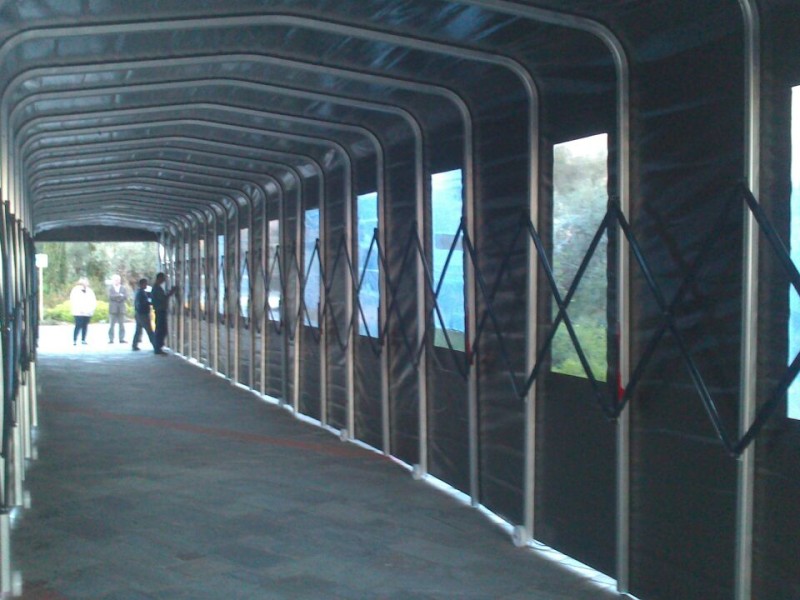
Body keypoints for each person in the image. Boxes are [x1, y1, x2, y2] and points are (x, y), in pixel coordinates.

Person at [150, 272, 177, 355]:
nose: (164, 280)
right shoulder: (157, 288)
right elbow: (163, 298)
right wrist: (171, 292)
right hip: (160, 310)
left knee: (161, 329)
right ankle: (158, 347)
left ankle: (158, 347)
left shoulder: (156, 288)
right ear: (159, 278)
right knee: (161, 329)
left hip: (160, 310)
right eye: (163, 278)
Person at [69, 277, 96, 345]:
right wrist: (80, 309)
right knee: (78, 325)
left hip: (88, 312)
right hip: (78, 312)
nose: (86, 284)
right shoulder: (75, 290)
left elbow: (93, 301)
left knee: (85, 325)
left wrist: (91, 309)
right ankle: (74, 339)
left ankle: (83, 339)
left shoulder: (90, 291)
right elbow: (74, 301)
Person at [132, 278, 155, 351]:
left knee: (138, 330)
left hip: (139, 314)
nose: (146, 285)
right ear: (142, 284)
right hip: (143, 314)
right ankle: (155, 345)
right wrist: (151, 303)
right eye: (145, 283)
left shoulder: (139, 292)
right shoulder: (141, 293)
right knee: (149, 331)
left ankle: (134, 345)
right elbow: (144, 303)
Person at [107, 274, 128, 343]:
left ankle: (121, 339)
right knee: (111, 325)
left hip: (121, 309)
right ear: (113, 280)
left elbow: (125, 297)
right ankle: (111, 339)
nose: (117, 281)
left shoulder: (123, 288)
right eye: (115, 280)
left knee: (122, 325)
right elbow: (110, 297)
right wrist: (119, 295)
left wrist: (117, 297)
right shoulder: (110, 288)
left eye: (118, 280)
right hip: (113, 309)